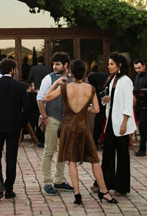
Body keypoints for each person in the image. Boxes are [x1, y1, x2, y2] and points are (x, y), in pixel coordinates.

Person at [44, 59, 118, 206]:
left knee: (72, 161)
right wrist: (86, 109)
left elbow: (47, 97)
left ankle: (77, 194)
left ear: (71, 72)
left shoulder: (65, 87)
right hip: (83, 126)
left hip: (68, 126)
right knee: (95, 161)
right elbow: (96, 110)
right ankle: (104, 192)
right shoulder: (90, 88)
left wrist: (56, 83)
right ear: (84, 73)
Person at [0, 58, 32, 200]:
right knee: (11, 157)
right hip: (14, 126)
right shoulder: (20, 86)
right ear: (12, 70)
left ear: (0, 70)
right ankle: (9, 188)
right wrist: (22, 123)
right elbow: (27, 108)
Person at [36, 52, 75, 195]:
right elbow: (40, 98)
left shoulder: (72, 79)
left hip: (67, 120)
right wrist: (45, 116)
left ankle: (59, 180)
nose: (54, 67)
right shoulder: (49, 78)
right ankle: (47, 182)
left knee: (63, 151)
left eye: (58, 64)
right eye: (53, 64)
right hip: (52, 118)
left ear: (65, 65)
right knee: (49, 151)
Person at [101, 53, 136, 195]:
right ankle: (105, 182)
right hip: (111, 120)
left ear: (119, 65)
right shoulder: (113, 79)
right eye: (108, 64)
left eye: (111, 64)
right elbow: (116, 97)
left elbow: (128, 103)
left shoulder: (126, 81)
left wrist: (125, 123)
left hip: (121, 121)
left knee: (122, 154)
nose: (109, 66)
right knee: (107, 152)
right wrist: (107, 99)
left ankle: (121, 186)